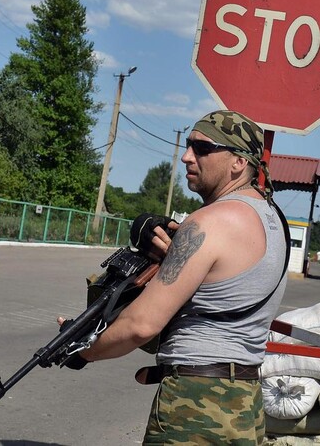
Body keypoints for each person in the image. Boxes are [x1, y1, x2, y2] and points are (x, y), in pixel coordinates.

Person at [66, 110, 289, 444]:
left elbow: (141, 325)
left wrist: (82, 351)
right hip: (244, 401)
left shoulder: (209, 222)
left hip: (196, 404)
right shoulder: (275, 220)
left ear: (238, 163)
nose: (187, 156)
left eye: (202, 148)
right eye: (188, 146)